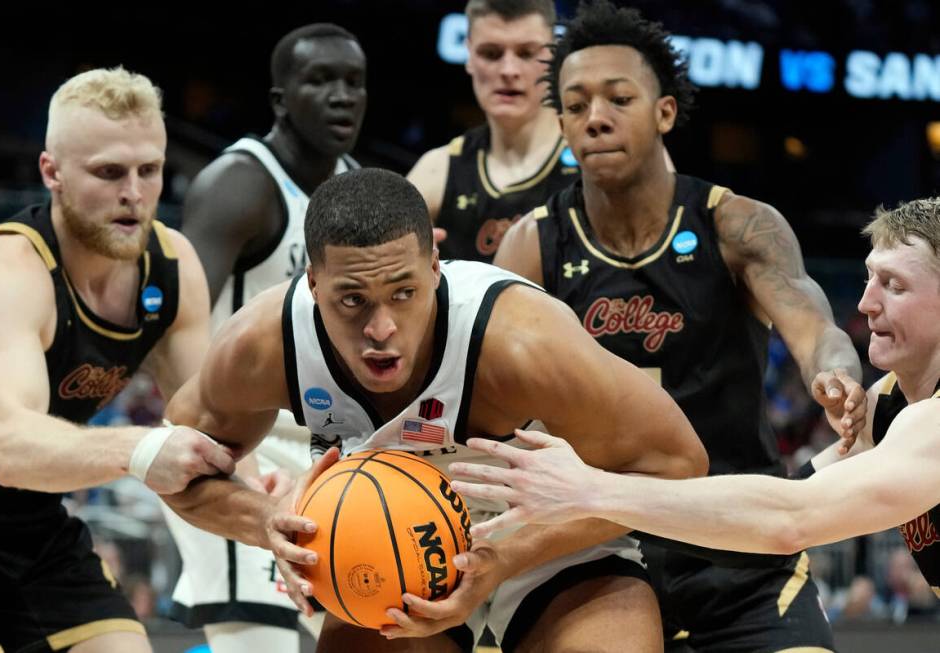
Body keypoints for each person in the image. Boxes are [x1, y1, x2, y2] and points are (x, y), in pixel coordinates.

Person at [162, 168, 708, 652]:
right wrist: (263, 520)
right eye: (352, 300)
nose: (381, 329)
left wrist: (506, 558)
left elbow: (678, 463)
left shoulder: (521, 342)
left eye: (404, 292)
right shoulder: (263, 344)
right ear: (312, 282)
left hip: (546, 532)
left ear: (435, 269)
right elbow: (174, 468)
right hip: (385, 544)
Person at [492, 2, 865, 651]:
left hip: (735, 544)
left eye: (618, 98)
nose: (596, 117)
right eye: (576, 106)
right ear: (560, 125)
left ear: (664, 111)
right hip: (593, 550)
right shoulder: (533, 244)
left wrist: (835, 372)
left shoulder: (737, 224)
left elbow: (813, 326)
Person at [453, 197, 940, 605]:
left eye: (894, 286)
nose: (865, 304)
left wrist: (591, 490)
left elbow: (793, 519)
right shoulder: (887, 405)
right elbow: (759, 522)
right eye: (869, 279)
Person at [0, 67, 234, 652]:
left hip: (32, 531)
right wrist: (142, 451)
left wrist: (280, 526)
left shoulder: (173, 264)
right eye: (109, 172)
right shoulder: (4, 271)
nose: (134, 192)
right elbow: (11, 451)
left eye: (150, 170)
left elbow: (208, 433)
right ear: (51, 173)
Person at [166, 23, 365, 651]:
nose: (341, 97)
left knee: (369, 622)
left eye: (354, 83)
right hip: (230, 447)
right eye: (320, 81)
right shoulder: (241, 184)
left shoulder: (358, 188)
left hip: (323, 450)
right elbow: (177, 327)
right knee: (260, 641)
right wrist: (226, 456)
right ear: (281, 98)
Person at [407, 0, 580, 263]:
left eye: (526, 53)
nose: (508, 70)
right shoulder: (436, 171)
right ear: (468, 56)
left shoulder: (598, 158)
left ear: (553, 56)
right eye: (491, 53)